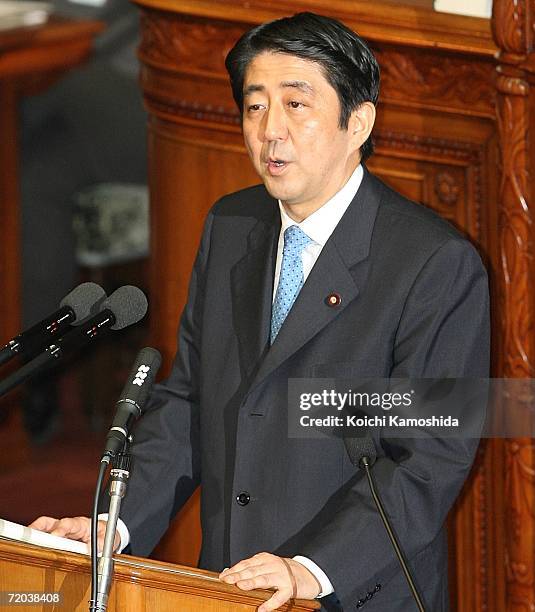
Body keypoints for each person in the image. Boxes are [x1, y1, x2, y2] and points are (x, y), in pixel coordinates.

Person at [30, 12, 490, 611]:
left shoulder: (436, 264)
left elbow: (428, 461)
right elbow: (191, 401)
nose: (270, 130)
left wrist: (310, 568)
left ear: (359, 122)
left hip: (348, 592)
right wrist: (113, 526)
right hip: (230, 586)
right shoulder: (231, 226)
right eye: (254, 107)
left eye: (296, 105)